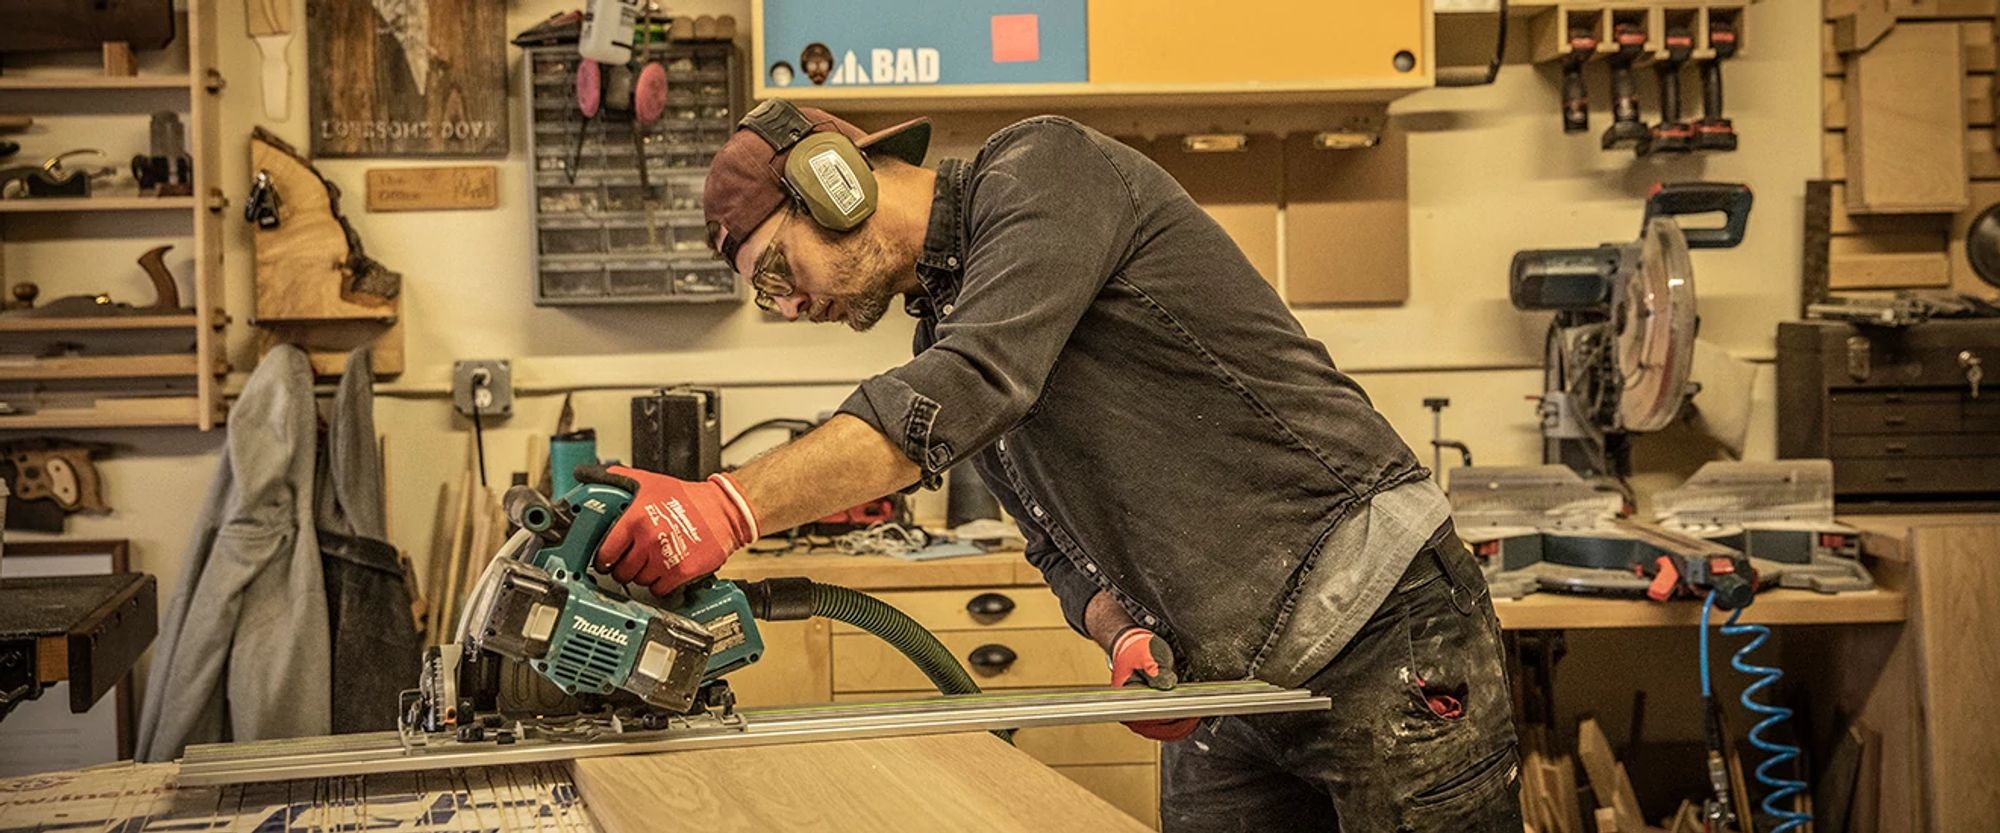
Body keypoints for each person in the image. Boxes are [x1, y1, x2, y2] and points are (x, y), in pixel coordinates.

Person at [584, 99, 1523, 831]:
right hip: (1230, 687)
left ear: (833, 181)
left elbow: (971, 382)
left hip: (1382, 625)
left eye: (776, 271)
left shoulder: (1045, 170)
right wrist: (1119, 630)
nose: (785, 307)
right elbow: (1055, 542)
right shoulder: (949, 318)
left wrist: (725, 508)